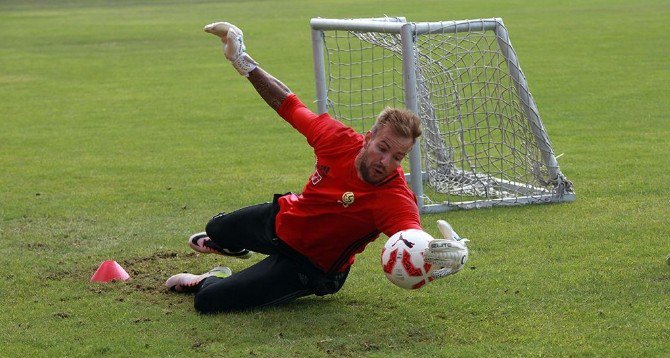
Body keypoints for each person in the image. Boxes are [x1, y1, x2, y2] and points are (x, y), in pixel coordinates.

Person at [165, 22, 468, 313]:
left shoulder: (395, 198)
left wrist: (444, 253)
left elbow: (411, 234)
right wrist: (241, 59)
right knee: (216, 228)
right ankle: (232, 246)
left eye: (398, 157)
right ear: (369, 138)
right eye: (383, 148)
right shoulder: (336, 139)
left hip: (311, 266)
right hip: (285, 221)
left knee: (208, 301)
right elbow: (288, 103)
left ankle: (213, 277)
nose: (386, 162)